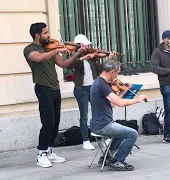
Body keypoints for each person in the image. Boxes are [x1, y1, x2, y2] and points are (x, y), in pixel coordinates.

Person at [23, 22, 87, 168]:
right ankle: (41, 153)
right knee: (48, 122)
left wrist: (76, 53)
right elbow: (40, 58)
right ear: (37, 35)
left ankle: (48, 150)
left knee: (56, 122)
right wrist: (57, 49)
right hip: (43, 88)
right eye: (45, 33)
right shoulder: (29, 49)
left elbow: (63, 64)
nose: (49, 35)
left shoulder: (50, 48)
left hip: (55, 88)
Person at [90, 60, 148, 171]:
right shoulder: (102, 85)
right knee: (132, 133)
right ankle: (117, 161)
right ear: (112, 72)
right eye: (117, 73)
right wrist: (137, 99)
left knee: (121, 133)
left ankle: (106, 158)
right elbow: (120, 104)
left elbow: (111, 104)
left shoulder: (99, 82)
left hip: (98, 123)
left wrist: (122, 92)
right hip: (103, 125)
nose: (118, 76)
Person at [67, 34, 115, 150]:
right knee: (84, 115)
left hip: (93, 89)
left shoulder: (93, 58)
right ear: (79, 46)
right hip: (81, 89)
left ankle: (105, 136)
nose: (88, 46)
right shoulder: (75, 57)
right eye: (85, 44)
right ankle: (85, 140)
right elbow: (69, 65)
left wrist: (109, 59)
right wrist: (83, 57)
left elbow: (102, 70)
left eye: (88, 44)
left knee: (101, 112)